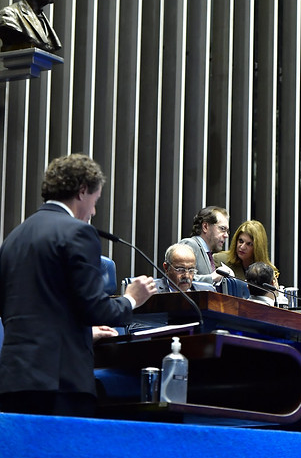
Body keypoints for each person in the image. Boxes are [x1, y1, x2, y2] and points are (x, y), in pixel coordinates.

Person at [0, 153, 157, 417]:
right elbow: (96, 309)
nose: (94, 211)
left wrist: (79, 332)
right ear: (82, 190)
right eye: (95, 201)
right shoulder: (78, 232)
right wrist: (131, 298)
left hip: (13, 381)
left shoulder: (14, 238)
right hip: (60, 383)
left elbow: (22, 309)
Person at [213, 219, 279, 282]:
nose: (242, 247)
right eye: (241, 241)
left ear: (257, 248)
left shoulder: (268, 272)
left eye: (249, 244)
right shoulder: (220, 260)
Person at [180, 206, 232, 285]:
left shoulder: (208, 254)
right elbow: (180, 278)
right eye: (222, 229)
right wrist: (212, 278)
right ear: (205, 227)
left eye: (227, 231)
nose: (226, 235)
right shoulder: (189, 244)